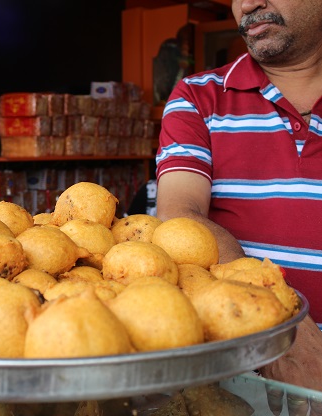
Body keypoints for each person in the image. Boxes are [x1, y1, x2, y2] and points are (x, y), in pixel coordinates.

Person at [155, 0, 322, 392]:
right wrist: (280, 326)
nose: (248, 4)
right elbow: (178, 216)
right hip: (247, 370)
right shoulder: (198, 97)